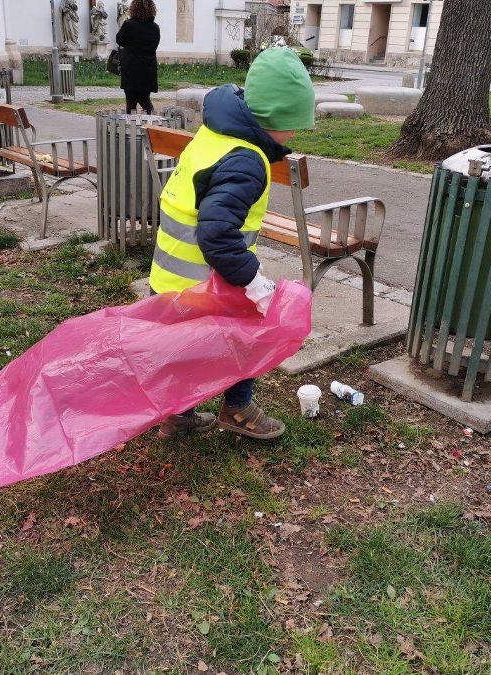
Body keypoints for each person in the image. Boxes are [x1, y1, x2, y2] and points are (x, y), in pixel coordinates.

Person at [149, 48, 316, 440]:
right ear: (271, 116)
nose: (293, 135)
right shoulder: (246, 160)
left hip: (169, 276)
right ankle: (238, 409)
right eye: (291, 125)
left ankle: (178, 416)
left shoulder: (215, 134)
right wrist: (253, 282)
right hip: (205, 283)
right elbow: (217, 235)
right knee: (255, 330)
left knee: (183, 351)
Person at [115, 0, 160, 114]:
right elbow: (154, 45)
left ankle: (131, 128)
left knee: (131, 103)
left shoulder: (128, 25)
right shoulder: (155, 27)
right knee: (145, 99)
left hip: (131, 68)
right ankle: (150, 123)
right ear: (151, 9)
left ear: (133, 9)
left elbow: (119, 40)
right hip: (148, 69)